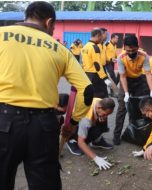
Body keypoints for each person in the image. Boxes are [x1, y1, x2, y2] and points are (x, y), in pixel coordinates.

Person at [0, 2, 94, 190]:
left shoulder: (1, 35)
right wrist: (72, 124)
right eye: (54, 27)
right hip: (43, 127)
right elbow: (87, 90)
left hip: (4, 122)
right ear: (49, 22)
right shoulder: (60, 49)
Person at [113, 35, 152, 145]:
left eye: (133, 50)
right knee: (122, 108)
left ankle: (138, 135)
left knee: (140, 107)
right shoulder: (121, 57)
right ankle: (116, 136)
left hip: (138, 80)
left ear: (138, 47)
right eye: (128, 50)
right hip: (125, 80)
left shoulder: (144, 56)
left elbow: (147, 74)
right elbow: (122, 77)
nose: (131, 52)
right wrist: (126, 93)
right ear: (124, 48)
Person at [78, 98, 115, 170]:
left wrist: (101, 117)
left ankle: (96, 142)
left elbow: (102, 116)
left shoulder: (99, 101)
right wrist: (96, 158)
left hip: (89, 121)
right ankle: (71, 141)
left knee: (102, 127)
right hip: (75, 127)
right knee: (82, 141)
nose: (106, 116)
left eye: (108, 115)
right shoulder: (86, 120)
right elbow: (80, 142)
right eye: (105, 114)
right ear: (99, 108)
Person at [81, 28, 111, 99]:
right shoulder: (95, 47)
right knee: (98, 97)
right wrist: (105, 78)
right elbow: (97, 64)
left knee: (90, 95)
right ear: (97, 36)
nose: (101, 39)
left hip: (87, 74)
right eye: (101, 37)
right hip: (95, 76)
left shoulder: (85, 46)